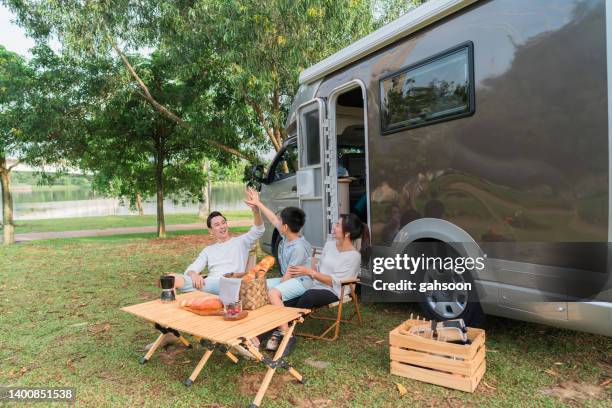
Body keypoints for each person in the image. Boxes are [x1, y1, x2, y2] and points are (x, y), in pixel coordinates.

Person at [244, 188, 312, 352]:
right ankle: (259, 329)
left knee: (272, 293)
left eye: (281, 221)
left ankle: (286, 331)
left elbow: (287, 277)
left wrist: (272, 292)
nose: (277, 222)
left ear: (285, 226)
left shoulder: (299, 248)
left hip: (302, 282)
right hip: (289, 278)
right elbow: (273, 217)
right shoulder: (287, 235)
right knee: (258, 285)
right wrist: (258, 203)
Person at [285, 213, 369, 310]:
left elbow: (334, 282)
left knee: (309, 296)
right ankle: (283, 322)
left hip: (334, 291)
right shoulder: (329, 245)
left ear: (347, 234)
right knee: (288, 298)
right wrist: (304, 268)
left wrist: (310, 272)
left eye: (337, 225)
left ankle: (291, 321)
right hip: (315, 284)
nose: (333, 227)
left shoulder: (354, 256)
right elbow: (319, 267)